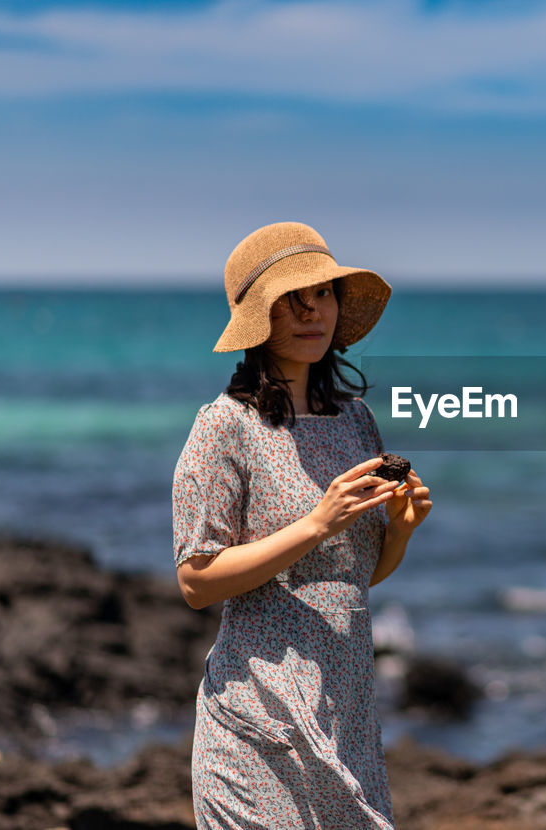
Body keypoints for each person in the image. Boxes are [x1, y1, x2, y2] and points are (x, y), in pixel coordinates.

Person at [172, 221, 431, 828]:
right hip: (257, 725)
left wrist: (400, 529)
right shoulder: (224, 426)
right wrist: (316, 523)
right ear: (260, 319)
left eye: (323, 295)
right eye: (292, 300)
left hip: (347, 722)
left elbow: (354, 581)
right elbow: (195, 580)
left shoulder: (355, 421)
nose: (312, 311)